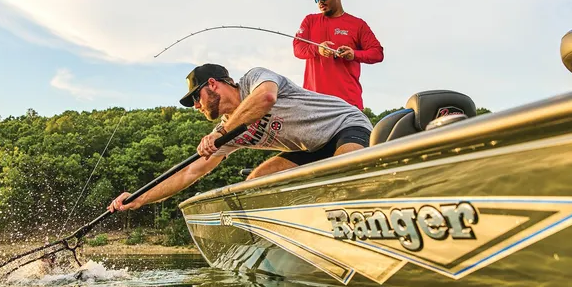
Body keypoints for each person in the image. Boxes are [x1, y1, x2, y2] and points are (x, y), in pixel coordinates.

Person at [108, 63, 373, 213]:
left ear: (212, 84)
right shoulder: (225, 132)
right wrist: (141, 198)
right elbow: (189, 173)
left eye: (195, 99)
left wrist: (221, 134)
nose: (196, 107)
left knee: (342, 173)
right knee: (255, 183)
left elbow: (266, 98)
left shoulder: (254, 78)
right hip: (312, 147)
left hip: (344, 125)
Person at [293, 0, 384, 110]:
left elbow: (377, 53)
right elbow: (297, 48)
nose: (321, 1)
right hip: (314, 103)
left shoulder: (358, 24)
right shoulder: (309, 21)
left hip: (348, 104)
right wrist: (317, 49)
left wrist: (354, 54)